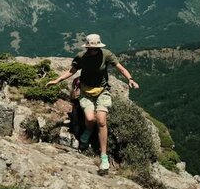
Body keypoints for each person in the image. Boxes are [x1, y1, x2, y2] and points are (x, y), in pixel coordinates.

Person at [47, 33, 139, 171]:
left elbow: (120, 67)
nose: (93, 51)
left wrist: (130, 79)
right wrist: (57, 80)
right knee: (90, 119)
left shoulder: (106, 55)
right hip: (86, 92)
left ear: (99, 47)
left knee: (101, 121)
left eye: (95, 48)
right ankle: (88, 131)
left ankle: (104, 157)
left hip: (103, 91)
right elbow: (72, 71)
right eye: (90, 49)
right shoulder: (81, 57)